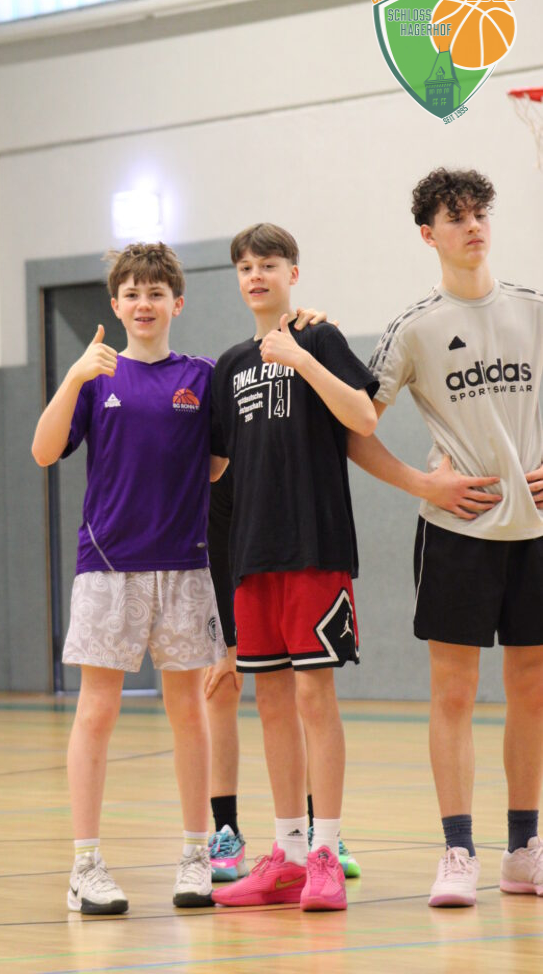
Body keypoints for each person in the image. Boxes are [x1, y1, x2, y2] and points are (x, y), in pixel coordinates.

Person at [347, 168, 543, 907]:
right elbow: (354, 429)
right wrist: (422, 484)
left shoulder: (532, 309)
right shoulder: (415, 327)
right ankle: (457, 851)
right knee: (453, 693)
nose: (473, 226)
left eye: (480, 212)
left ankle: (522, 849)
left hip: (534, 527)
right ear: (428, 234)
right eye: (456, 217)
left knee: (531, 688)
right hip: (457, 531)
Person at [31, 242, 227, 915]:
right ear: (115, 305)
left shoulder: (202, 376)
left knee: (188, 711)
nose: (144, 304)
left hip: (184, 566)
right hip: (107, 569)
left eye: (156, 293)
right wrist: (70, 379)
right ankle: (84, 865)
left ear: (177, 302)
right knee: (97, 710)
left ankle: (195, 855)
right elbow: (43, 450)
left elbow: (216, 465)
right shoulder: (95, 377)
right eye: (132, 294)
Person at [209, 223, 378, 911]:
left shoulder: (319, 337)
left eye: (269, 264)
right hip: (253, 556)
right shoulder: (228, 367)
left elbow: (362, 417)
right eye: (245, 266)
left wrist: (299, 359)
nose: (256, 275)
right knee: (271, 703)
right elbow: (214, 471)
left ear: (293, 274)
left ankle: (325, 853)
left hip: (314, 547)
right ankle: (285, 854)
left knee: (314, 697)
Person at [205, 466, 362, 882]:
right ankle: (225, 829)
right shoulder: (217, 459)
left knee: (305, 688)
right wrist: (227, 642)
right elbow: (216, 538)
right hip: (230, 566)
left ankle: (319, 830)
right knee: (221, 683)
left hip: (293, 557)